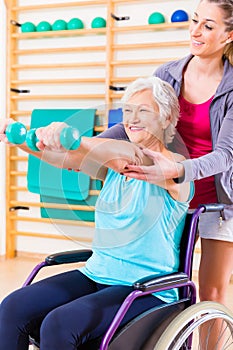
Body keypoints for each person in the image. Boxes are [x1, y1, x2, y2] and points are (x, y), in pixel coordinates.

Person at [0, 77, 192, 350]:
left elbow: (130, 156)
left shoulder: (176, 169)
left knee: (59, 324)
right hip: (97, 274)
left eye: (143, 111)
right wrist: (22, 140)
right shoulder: (112, 169)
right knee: (12, 307)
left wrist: (73, 137)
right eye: (127, 111)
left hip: (145, 289)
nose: (132, 119)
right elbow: (68, 159)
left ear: (167, 117)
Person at [100, 0, 233, 308]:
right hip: (170, 196)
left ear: (228, 36)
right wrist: (88, 147)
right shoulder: (168, 74)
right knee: (164, 284)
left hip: (218, 201)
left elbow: (226, 155)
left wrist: (178, 170)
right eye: (195, 21)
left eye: (208, 26)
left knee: (211, 293)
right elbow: (137, 122)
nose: (196, 31)